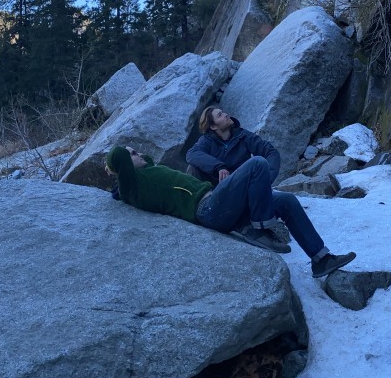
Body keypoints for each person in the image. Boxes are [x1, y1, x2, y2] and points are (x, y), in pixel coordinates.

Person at [105, 145, 356, 278]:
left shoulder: (148, 171)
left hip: (218, 201)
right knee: (256, 163)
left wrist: (137, 157)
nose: (137, 152)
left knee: (287, 200)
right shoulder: (133, 188)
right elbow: (118, 156)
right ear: (123, 166)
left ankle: (321, 260)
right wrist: (118, 160)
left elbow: (145, 159)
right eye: (132, 153)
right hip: (207, 210)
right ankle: (259, 227)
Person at [186, 106, 281, 185]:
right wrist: (219, 167)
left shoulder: (243, 135)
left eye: (223, 112)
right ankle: (197, 204)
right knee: (193, 167)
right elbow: (192, 154)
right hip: (216, 185)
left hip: (239, 184)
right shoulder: (206, 140)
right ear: (213, 126)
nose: (226, 114)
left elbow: (271, 152)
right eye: (220, 115)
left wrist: (266, 179)